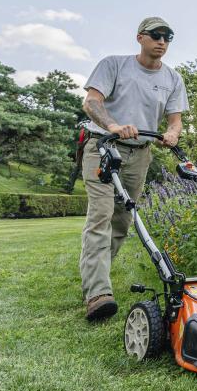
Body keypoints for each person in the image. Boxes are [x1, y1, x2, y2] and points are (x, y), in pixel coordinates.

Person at [79, 17, 189, 321]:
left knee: (121, 222)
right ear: (140, 37)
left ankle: (93, 280)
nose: (162, 41)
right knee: (100, 214)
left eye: (168, 37)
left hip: (140, 155)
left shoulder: (173, 79)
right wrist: (113, 125)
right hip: (103, 147)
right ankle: (98, 292)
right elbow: (92, 102)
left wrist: (173, 133)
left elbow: (175, 119)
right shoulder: (114, 65)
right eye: (156, 35)